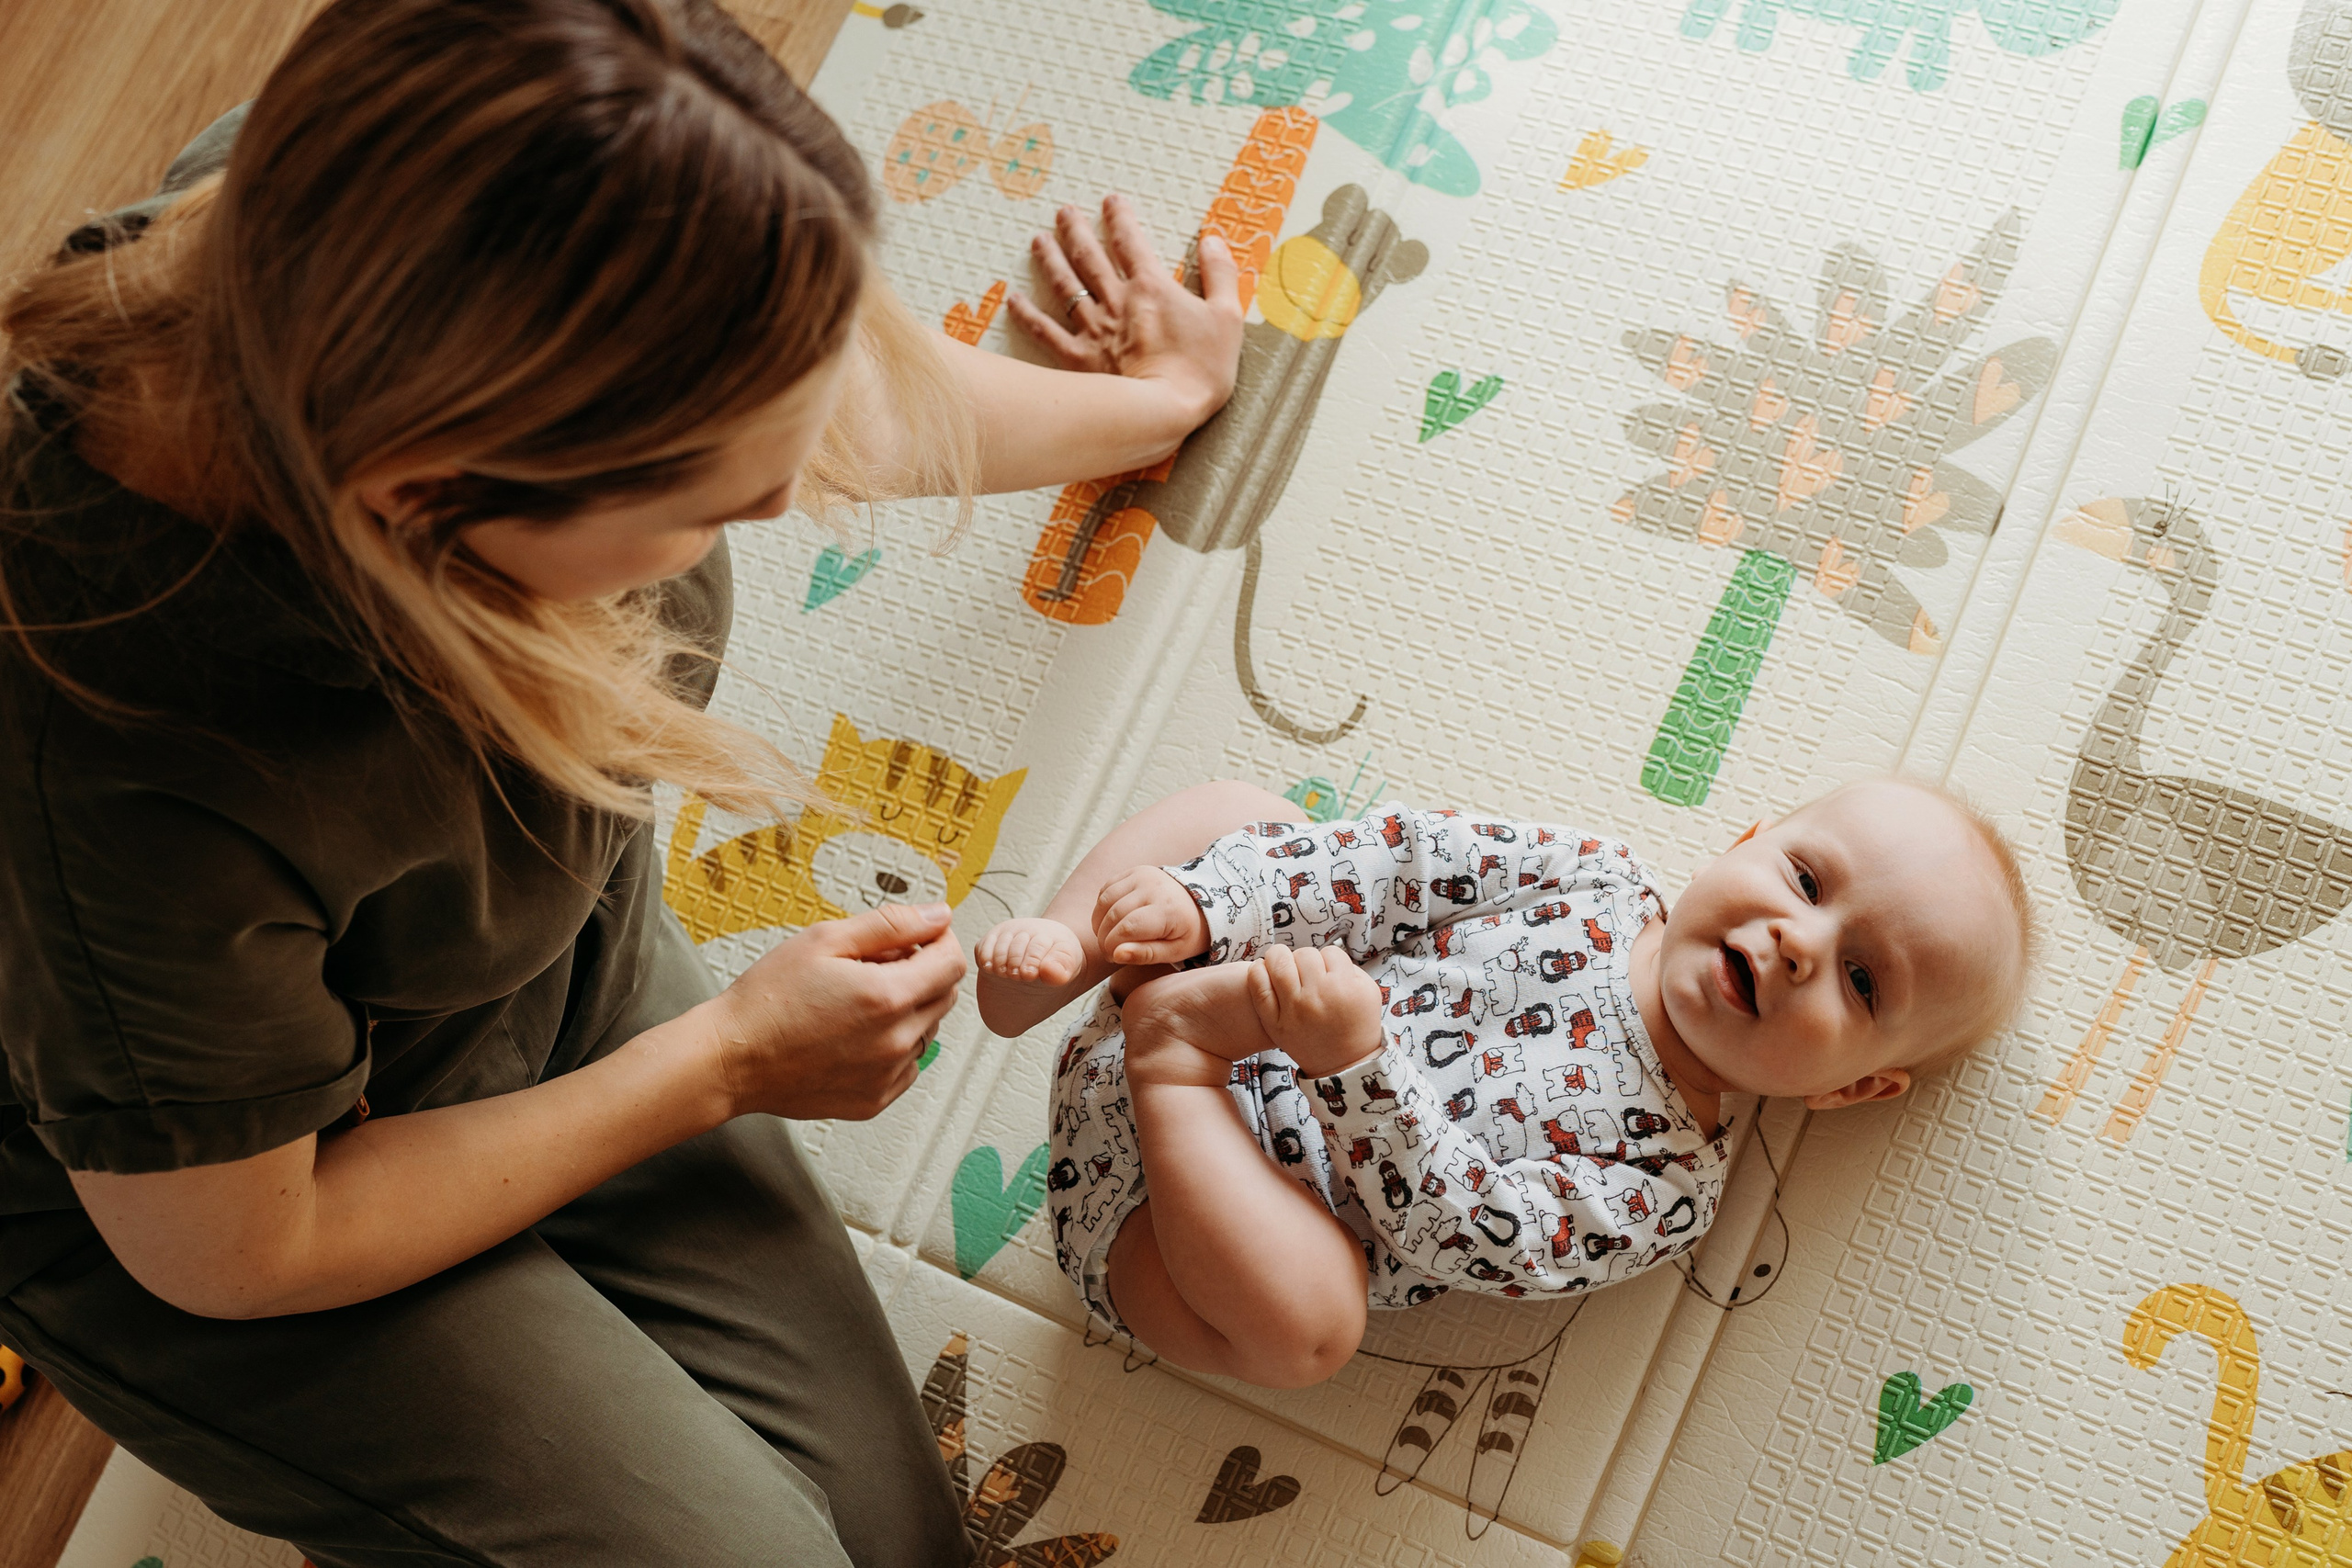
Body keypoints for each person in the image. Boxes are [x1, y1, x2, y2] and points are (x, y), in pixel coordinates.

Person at [0, 2, 1244, 1564]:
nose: (797, 498)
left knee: (899, 1541)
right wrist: (725, 1058)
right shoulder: (124, 779)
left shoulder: (385, 219)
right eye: (718, 505)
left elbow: (813, 402)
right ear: (433, 506)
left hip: (523, 972)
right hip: (238, 1198)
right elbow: (248, 1246)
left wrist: (1154, 406)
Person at [975, 777, 2036, 1388]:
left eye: (1858, 979)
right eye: (1804, 880)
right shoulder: (1591, 877)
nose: (1799, 941)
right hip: (1207, 964)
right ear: (1746, 838)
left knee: (1311, 1328)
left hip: (1175, 1220)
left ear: (1853, 1088)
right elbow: (1391, 862)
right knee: (1246, 811)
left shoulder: (1665, 1188)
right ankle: (1068, 953)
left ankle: (1169, 1059)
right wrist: (1208, 908)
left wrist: (1356, 1065)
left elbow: (1470, 1231)